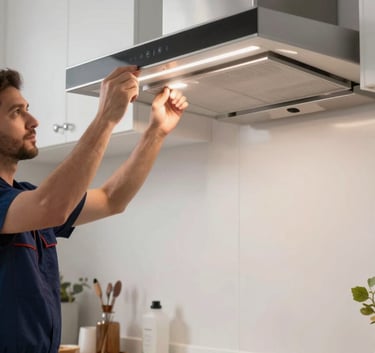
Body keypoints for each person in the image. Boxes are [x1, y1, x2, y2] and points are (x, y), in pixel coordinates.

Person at [0, 66, 188, 352]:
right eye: (16, 112)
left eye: (28, 109)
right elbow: (52, 205)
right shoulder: (35, 204)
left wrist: (156, 132)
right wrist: (106, 117)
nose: (33, 120)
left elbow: (113, 198)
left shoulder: (25, 197)